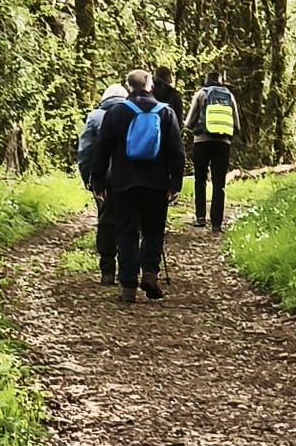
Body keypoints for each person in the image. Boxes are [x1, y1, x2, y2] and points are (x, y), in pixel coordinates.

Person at [92, 68, 185, 304]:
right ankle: (150, 273)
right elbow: (177, 150)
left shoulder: (116, 112)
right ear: (150, 85)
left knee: (126, 231)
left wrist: (98, 180)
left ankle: (128, 287)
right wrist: (176, 182)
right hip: (157, 182)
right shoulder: (166, 112)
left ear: (127, 86)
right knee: (154, 229)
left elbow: (102, 148)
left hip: (124, 182)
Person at [77, 82, 128, 286]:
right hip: (130, 177)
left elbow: (85, 150)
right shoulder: (131, 115)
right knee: (129, 222)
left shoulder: (94, 117)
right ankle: (128, 270)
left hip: (104, 179)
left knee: (106, 221)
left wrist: (87, 178)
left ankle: (107, 269)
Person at [184, 68, 239, 231]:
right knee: (219, 183)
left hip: (202, 141)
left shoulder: (201, 94)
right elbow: (236, 123)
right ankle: (216, 223)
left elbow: (189, 122)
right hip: (223, 143)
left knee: (200, 179)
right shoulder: (230, 95)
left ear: (206, 80)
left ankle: (200, 217)